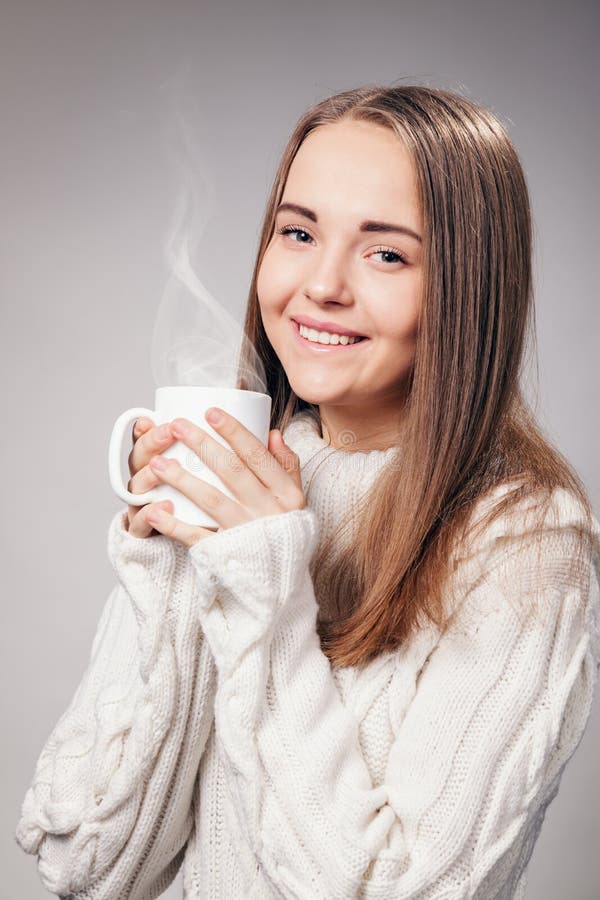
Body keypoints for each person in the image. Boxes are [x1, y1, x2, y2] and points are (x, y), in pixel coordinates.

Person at [15, 84, 600, 899]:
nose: (322, 285)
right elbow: (90, 865)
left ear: (469, 290)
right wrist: (182, 569)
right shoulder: (251, 485)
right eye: (298, 232)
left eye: (386, 252)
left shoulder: (528, 542)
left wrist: (264, 587)